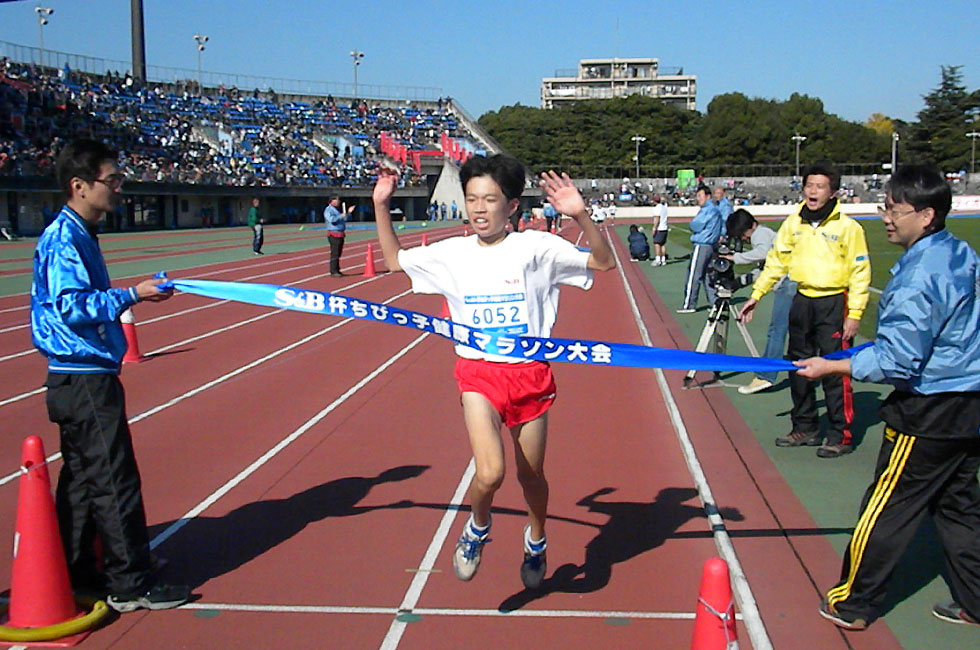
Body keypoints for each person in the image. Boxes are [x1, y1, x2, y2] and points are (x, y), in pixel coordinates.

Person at [372, 154, 615, 590]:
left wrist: (580, 215)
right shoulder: (452, 253)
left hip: (529, 377)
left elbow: (602, 263)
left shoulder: (537, 248)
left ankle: (536, 539)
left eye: (490, 199)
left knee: (530, 477)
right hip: (478, 375)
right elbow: (393, 261)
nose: (480, 209)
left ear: (513, 205)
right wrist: (380, 204)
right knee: (489, 473)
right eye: (472, 199)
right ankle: (477, 529)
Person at [795, 165, 980, 630]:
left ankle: (853, 603)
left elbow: (899, 360)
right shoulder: (959, 253)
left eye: (895, 210)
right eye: (885, 208)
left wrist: (832, 364)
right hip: (968, 401)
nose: (887, 218)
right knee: (958, 507)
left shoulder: (920, 274)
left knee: (888, 507)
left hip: (929, 408)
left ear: (927, 214)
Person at [30, 139, 190, 613]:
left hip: (80, 376)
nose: (119, 188)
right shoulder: (64, 238)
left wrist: (134, 293)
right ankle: (130, 582)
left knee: (82, 480)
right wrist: (131, 295)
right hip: (81, 378)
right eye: (111, 180)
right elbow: (69, 305)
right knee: (113, 478)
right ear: (79, 186)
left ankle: (78, 569)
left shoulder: (81, 234)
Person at [739, 162, 871, 458]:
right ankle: (805, 427)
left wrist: (855, 314)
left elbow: (860, 272)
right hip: (802, 301)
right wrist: (757, 294)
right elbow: (775, 261)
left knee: (835, 370)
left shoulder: (848, 228)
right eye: (809, 185)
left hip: (834, 302)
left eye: (820, 186)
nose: (813, 191)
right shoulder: (793, 223)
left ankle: (840, 434)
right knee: (798, 367)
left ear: (833, 191)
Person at [718, 209, 798, 395]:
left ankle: (765, 376)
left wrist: (735, 258)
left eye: (741, 235)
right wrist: (738, 283)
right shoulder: (767, 233)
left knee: (777, 330)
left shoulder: (759, 235)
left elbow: (762, 253)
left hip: (788, 282)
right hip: (791, 280)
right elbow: (763, 270)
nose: (743, 240)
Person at [678, 185, 723, 313]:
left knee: (694, 274)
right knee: (709, 275)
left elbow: (695, 225)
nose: (698, 199)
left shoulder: (707, 210)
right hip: (711, 246)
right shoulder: (716, 210)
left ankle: (689, 304)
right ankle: (714, 302)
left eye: (700, 196)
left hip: (702, 244)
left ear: (707, 196)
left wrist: (692, 225)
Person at [324, 195, 353, 277]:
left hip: (340, 233)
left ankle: (337, 269)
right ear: (331, 201)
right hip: (334, 233)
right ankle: (333, 271)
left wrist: (348, 213)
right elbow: (332, 220)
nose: (338, 202)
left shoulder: (337, 210)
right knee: (335, 253)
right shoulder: (328, 210)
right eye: (336, 200)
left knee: (338, 253)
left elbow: (344, 219)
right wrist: (341, 216)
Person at [651, 196, 669, 266]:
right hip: (665, 227)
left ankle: (658, 259)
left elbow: (657, 219)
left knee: (657, 244)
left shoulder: (657, 208)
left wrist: (654, 228)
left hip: (660, 228)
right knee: (663, 244)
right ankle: (663, 259)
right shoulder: (664, 207)